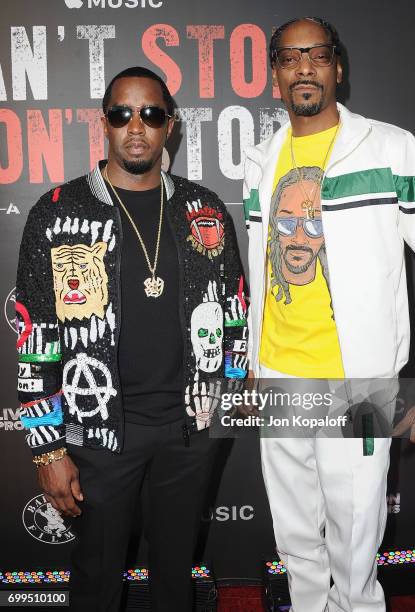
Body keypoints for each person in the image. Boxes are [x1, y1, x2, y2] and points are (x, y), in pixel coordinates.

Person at [243, 16, 415, 612]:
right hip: (279, 379)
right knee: (296, 545)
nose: (304, 68)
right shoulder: (262, 159)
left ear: (338, 67)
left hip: (357, 385)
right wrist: (254, 360)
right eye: (289, 58)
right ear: (274, 75)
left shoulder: (391, 147)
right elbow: (265, 277)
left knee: (356, 547)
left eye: (316, 55)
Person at [15, 66, 247, 611]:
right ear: (104, 124)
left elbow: (235, 315)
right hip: (98, 436)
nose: (136, 126)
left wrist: (227, 399)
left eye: (151, 113)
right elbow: (34, 341)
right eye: (122, 114)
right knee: (96, 579)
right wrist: (45, 446)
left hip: (189, 430)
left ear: (170, 125)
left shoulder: (204, 208)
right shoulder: (57, 212)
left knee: (174, 576)